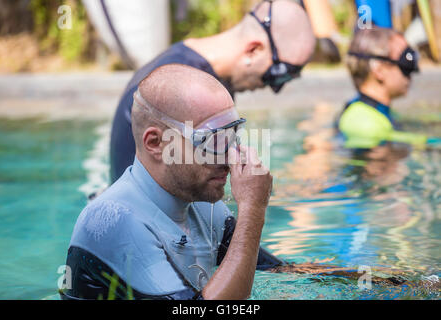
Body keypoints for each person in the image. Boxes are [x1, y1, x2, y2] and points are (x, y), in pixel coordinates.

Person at [60, 64, 280, 300]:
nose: (230, 156)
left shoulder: (203, 205)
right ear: (156, 143)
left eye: (233, 136)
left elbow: (280, 273)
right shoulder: (114, 221)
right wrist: (252, 210)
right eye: (213, 141)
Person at [110, 0, 315, 183]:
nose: (275, 88)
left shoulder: (197, 73)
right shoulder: (185, 87)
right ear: (254, 49)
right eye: (279, 74)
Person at [336, 27, 428, 152]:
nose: (413, 70)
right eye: (406, 60)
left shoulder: (373, 113)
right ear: (379, 70)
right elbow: (376, 169)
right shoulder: (365, 124)